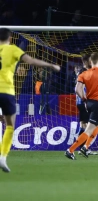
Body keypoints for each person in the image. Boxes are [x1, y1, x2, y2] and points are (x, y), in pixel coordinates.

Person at [0, 28, 60, 172]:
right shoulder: (13, 49)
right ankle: (2, 156)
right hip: (7, 91)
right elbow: (31, 61)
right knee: (9, 125)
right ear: (10, 38)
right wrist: (51, 65)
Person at [65, 52, 98, 160]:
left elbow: (77, 89)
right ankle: (70, 150)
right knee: (88, 130)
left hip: (88, 103)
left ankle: (85, 147)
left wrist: (84, 99)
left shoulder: (84, 74)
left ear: (90, 62)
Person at [76, 54, 98, 156]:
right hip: (84, 102)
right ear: (86, 62)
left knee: (83, 125)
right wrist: (84, 99)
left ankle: (81, 147)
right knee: (88, 126)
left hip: (81, 102)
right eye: (90, 61)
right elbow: (78, 88)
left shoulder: (83, 72)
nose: (91, 62)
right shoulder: (84, 72)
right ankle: (83, 148)